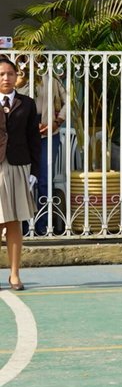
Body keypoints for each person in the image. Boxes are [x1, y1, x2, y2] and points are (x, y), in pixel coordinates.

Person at [0, 58, 41, 289]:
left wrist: (35, 170)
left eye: (10, 74)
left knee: (14, 221)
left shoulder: (27, 104)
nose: (6, 78)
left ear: (17, 76)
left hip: (18, 166)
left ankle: (14, 274)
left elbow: (34, 138)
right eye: (1, 74)